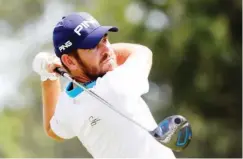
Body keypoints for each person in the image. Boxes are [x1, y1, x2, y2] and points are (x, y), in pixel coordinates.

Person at [32, 12, 176, 158]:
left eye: (105, 40)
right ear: (70, 61)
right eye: (93, 46)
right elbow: (141, 51)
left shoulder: (68, 105)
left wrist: (48, 76)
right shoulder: (118, 82)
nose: (108, 50)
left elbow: (52, 128)